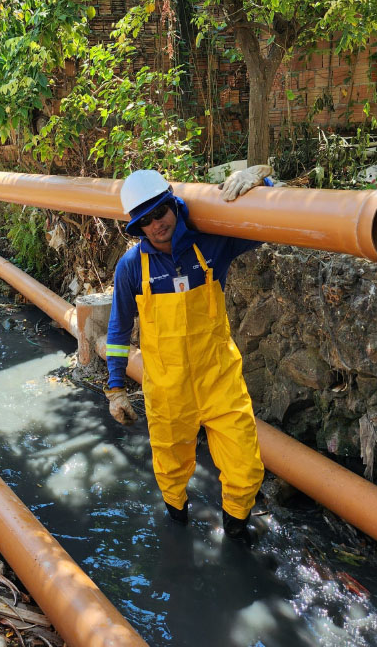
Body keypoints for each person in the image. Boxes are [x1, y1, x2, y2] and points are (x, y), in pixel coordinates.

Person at [104, 165, 272, 545]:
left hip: (220, 382)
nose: (156, 224)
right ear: (137, 226)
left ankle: (236, 535)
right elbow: (118, 330)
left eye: (160, 212)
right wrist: (116, 387)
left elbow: (267, 224)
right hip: (167, 392)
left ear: (173, 205)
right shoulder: (132, 267)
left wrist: (264, 182)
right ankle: (177, 529)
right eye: (145, 220)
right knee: (171, 473)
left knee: (245, 470)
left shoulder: (212, 244)